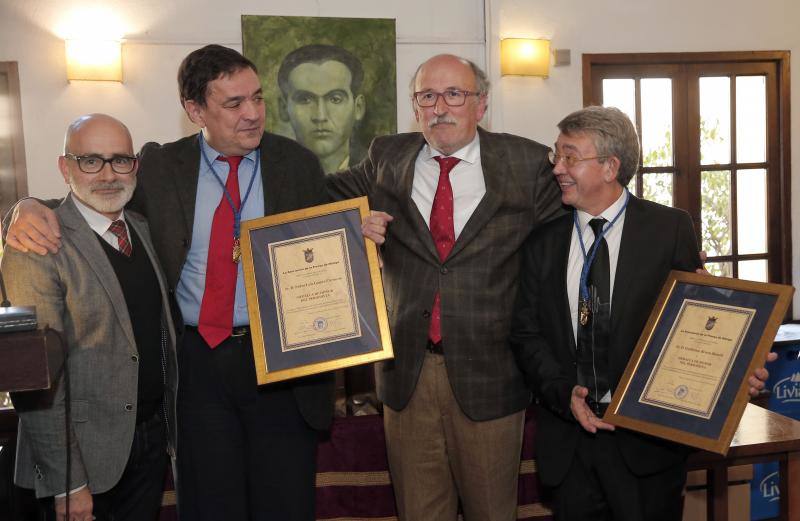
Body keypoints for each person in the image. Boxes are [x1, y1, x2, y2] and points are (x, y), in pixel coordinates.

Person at [5, 45, 335, 521]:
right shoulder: (158, 167)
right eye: (234, 104)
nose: (253, 114)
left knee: (285, 502)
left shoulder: (297, 164)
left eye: (258, 99)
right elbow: (89, 196)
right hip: (193, 363)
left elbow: (329, 233)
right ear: (195, 110)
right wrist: (22, 207)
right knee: (210, 505)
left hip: (280, 361)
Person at [326, 54, 563, 521]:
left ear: (481, 104)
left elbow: (579, 229)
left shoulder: (526, 162)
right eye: (427, 96)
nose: (441, 108)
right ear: (415, 107)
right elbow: (317, 196)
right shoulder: (386, 157)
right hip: (406, 376)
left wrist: (662, 252)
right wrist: (350, 222)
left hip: (492, 375)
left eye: (454, 94)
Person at [509, 105, 773, 521]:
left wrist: (739, 367)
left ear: (610, 166)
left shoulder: (669, 230)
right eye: (555, 155)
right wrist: (563, 394)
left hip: (647, 448)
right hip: (569, 445)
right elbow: (525, 334)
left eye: (570, 156)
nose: (557, 167)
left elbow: (697, 326)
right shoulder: (542, 241)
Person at [3, 114, 178, 521]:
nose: (107, 174)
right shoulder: (35, 243)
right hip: (79, 459)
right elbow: (32, 380)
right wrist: (69, 481)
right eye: (90, 161)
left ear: (134, 166)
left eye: (119, 160)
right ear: (66, 167)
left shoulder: (143, 230)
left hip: (148, 444)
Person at [277, 44, 366, 174]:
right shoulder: (271, 176)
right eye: (305, 99)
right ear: (284, 108)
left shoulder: (381, 175)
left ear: (358, 107)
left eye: (335, 99)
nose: (320, 116)